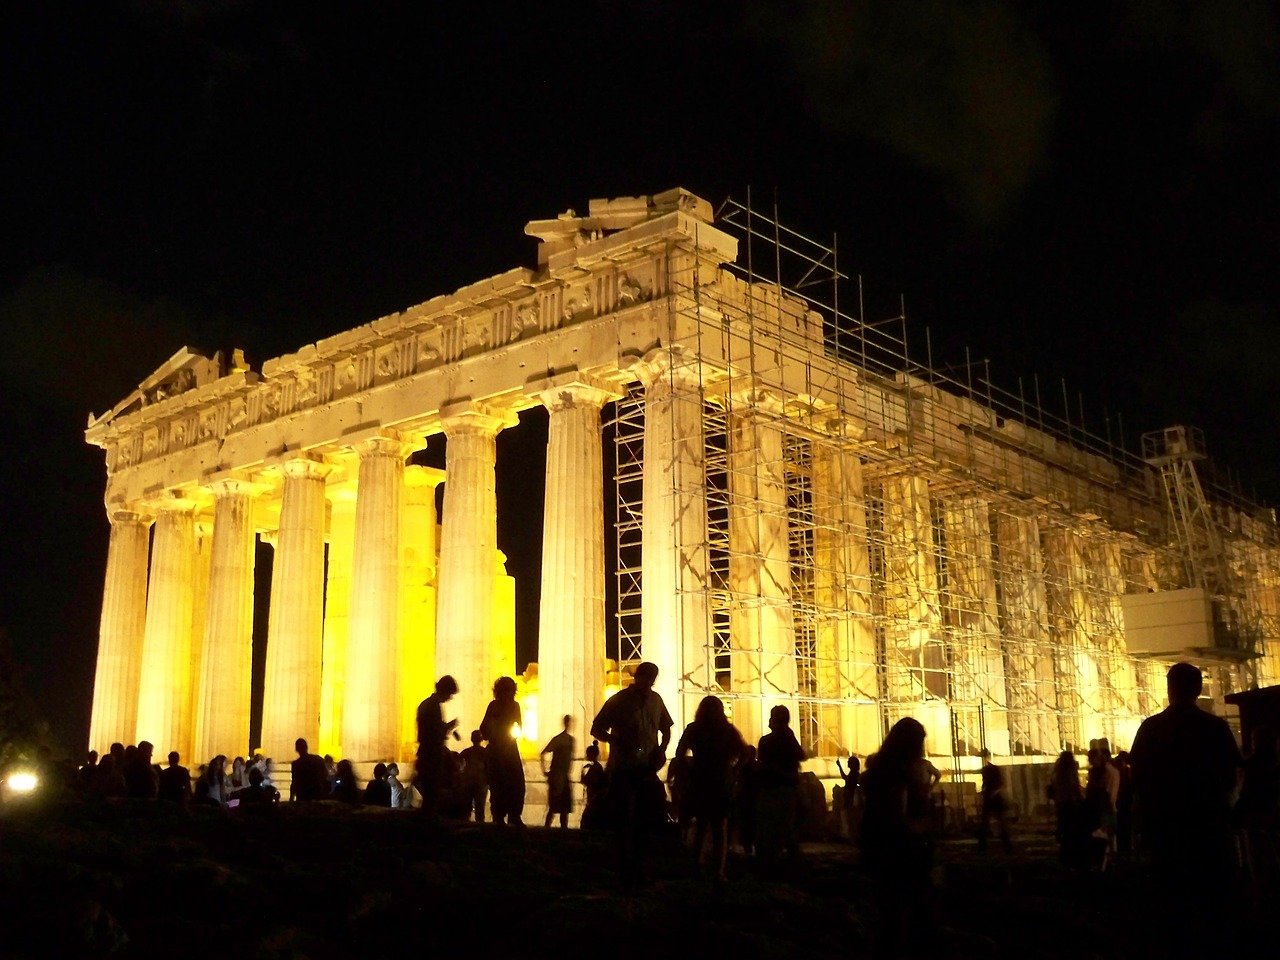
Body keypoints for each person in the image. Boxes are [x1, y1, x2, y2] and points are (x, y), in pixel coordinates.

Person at [1130, 662, 1241, 878]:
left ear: (1170, 689)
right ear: (1198, 690)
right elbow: (1231, 778)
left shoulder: (1151, 728)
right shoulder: (1216, 728)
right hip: (1207, 830)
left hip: (1164, 830)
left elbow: (1138, 779)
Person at [590, 661, 673, 886]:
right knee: (625, 818)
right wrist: (615, 741)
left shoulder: (656, 701)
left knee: (646, 820)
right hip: (624, 767)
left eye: (652, 678)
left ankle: (640, 867)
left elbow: (666, 728)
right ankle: (624, 869)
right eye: (646, 677)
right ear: (637, 677)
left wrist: (662, 749)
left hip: (647, 767)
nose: (649, 682)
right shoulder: (619, 700)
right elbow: (596, 728)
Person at [859, 717, 937, 956]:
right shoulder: (898, 774)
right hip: (902, 854)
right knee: (905, 916)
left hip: (879, 852)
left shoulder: (880, 769)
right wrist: (923, 827)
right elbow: (898, 819)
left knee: (886, 916)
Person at [674, 695, 748, 881]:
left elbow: (679, 753)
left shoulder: (694, 729)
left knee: (700, 825)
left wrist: (689, 768)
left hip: (700, 778)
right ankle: (719, 871)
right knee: (719, 828)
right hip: (721, 779)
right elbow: (744, 752)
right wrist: (734, 770)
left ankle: (697, 867)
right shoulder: (726, 729)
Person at [755, 705, 806, 864]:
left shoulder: (767, 741)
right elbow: (801, 755)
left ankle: (772, 855)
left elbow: (763, 763)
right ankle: (790, 854)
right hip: (786, 785)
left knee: (771, 823)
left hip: (772, 787)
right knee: (786, 823)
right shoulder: (788, 738)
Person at [479, 677, 526, 827]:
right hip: (498, 749)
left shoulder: (514, 706)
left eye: (510, 690)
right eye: (506, 690)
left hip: (508, 748)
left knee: (516, 783)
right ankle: (500, 817)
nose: (508, 694)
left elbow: (519, 725)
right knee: (499, 784)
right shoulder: (494, 706)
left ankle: (513, 815)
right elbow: (484, 727)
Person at [416, 675, 460, 819]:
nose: (450, 698)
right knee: (431, 790)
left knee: (429, 791)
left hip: (427, 751)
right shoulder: (433, 706)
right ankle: (430, 821)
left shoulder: (426, 704)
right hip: (431, 753)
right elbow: (432, 732)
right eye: (450, 694)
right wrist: (448, 726)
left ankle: (429, 818)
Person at [1049, 750, 1088, 869]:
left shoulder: (1057, 771)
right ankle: (1071, 857)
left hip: (1061, 802)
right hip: (1070, 803)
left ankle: (1064, 856)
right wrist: (1082, 799)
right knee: (1072, 831)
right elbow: (1074, 787)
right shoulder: (1070, 772)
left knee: (1065, 829)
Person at [541, 715, 576, 828]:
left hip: (563, 775)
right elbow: (544, 752)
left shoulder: (569, 740)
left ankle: (561, 828)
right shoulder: (559, 740)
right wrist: (545, 771)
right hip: (557, 775)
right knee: (555, 804)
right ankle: (548, 827)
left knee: (564, 806)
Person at [977, 748, 1012, 855]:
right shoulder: (991, 769)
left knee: (987, 823)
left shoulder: (989, 770)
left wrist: (990, 793)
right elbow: (1000, 784)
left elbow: (998, 784)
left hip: (992, 798)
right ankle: (1007, 847)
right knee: (998, 823)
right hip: (993, 797)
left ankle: (983, 847)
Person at [458, 731, 489, 822]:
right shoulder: (484, 752)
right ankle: (480, 829)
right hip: (481, 783)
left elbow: (458, 761)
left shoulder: (466, 752)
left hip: (469, 782)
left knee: (466, 808)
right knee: (480, 808)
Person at [580, 741, 608, 830]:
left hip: (594, 798)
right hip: (594, 797)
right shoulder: (595, 767)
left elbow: (591, 782)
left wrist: (583, 774)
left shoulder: (595, 768)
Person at [835, 753, 860, 841]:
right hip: (849, 798)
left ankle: (850, 836)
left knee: (849, 818)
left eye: (849, 762)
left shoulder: (854, 775)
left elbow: (846, 779)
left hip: (850, 799)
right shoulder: (853, 774)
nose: (847, 763)